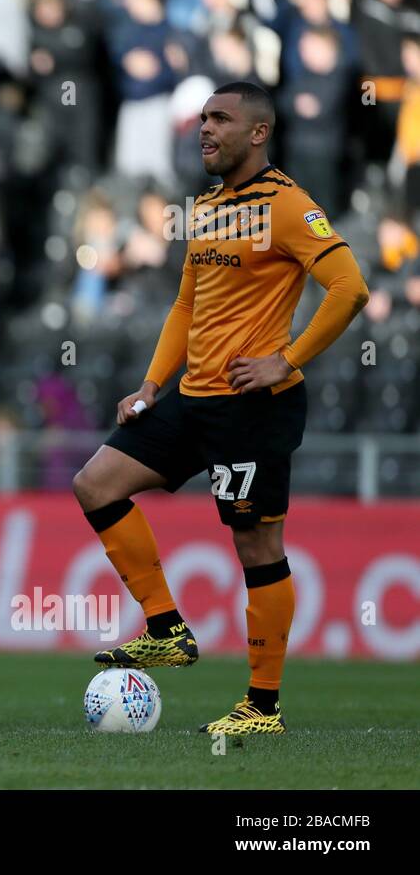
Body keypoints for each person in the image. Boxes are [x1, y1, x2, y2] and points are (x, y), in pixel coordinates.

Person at [72, 82, 369, 736]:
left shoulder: (288, 205)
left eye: (221, 119)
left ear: (258, 133)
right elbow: (185, 306)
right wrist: (152, 386)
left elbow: (350, 287)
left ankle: (262, 707)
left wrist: (286, 359)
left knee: (255, 542)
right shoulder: (206, 208)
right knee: (95, 483)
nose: (205, 129)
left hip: (252, 406)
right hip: (191, 397)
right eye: (203, 118)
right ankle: (168, 629)